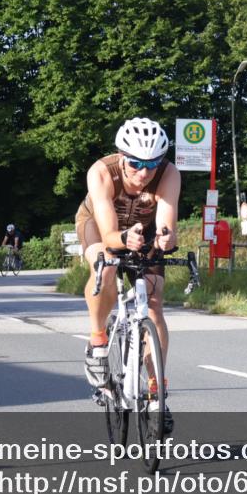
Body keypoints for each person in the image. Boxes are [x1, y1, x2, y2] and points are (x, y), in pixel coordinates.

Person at [74, 116, 180, 432]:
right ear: (122, 157)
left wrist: (165, 237)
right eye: (135, 164)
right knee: (104, 269)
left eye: (152, 164)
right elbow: (108, 233)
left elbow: (166, 221)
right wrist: (122, 239)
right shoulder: (102, 172)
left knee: (154, 302)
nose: (144, 173)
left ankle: (156, 389)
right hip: (100, 226)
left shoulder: (169, 174)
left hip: (143, 230)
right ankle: (97, 341)